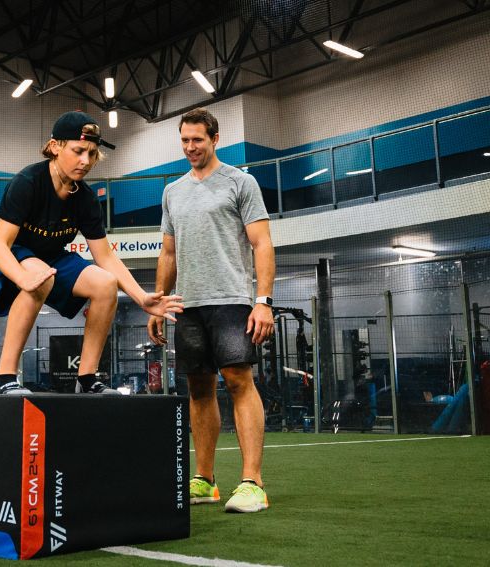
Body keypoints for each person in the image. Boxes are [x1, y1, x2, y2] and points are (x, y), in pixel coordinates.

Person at [0, 110, 183, 395]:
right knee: (40, 276)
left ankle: (86, 379)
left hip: (50, 256)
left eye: (91, 153)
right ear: (55, 147)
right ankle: (4, 379)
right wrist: (22, 278)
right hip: (8, 250)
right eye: (78, 151)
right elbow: (0, 244)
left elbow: (106, 257)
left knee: (105, 284)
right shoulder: (28, 182)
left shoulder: (85, 198)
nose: (85, 161)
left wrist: (142, 298)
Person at [147, 108, 275, 513]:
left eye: (197, 140)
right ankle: (205, 479)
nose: (190, 148)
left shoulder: (241, 182)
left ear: (214, 138)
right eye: (184, 141)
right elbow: (168, 252)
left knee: (239, 381)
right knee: (198, 389)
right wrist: (158, 299)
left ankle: (253, 482)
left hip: (232, 298)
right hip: (187, 304)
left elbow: (262, 244)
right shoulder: (173, 191)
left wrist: (263, 301)